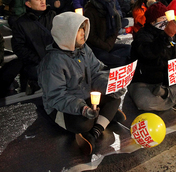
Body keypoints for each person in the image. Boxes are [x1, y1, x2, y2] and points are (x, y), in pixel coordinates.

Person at [38, 12, 125, 155]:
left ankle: (95, 132)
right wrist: (82, 109)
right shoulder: (53, 62)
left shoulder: (84, 49)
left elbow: (96, 74)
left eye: (83, 29)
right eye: (78, 30)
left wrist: (110, 86)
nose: (83, 33)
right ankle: (102, 118)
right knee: (83, 123)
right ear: (66, 33)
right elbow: (57, 97)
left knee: (115, 97)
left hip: (86, 97)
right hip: (64, 107)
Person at [129, 2, 176, 111]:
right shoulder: (143, 35)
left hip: (165, 82)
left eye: (166, 18)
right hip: (144, 82)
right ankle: (173, 98)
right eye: (162, 19)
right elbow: (149, 54)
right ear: (153, 21)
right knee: (144, 103)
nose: (166, 22)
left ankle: (166, 94)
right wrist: (165, 36)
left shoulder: (169, 35)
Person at [12, 0, 55, 95]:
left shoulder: (53, 16)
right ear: (28, 4)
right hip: (35, 67)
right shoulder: (21, 23)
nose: (42, 1)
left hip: (54, 64)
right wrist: (38, 60)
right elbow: (19, 47)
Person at [84, 0, 130, 68]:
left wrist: (109, 45)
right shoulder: (90, 11)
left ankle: (114, 60)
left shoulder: (110, 7)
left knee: (129, 48)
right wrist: (105, 46)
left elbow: (115, 29)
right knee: (115, 59)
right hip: (96, 47)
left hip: (108, 45)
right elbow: (90, 36)